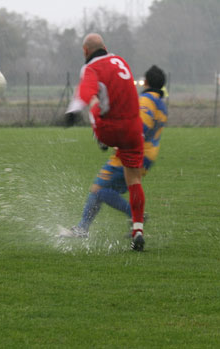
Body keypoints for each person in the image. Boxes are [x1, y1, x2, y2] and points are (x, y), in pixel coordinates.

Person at [63, 65, 168, 245]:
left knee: (99, 190)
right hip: (148, 157)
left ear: (146, 82)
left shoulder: (146, 101)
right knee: (109, 189)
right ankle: (87, 227)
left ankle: (86, 227)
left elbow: (140, 128)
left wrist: (117, 139)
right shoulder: (161, 104)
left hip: (130, 153)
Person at [64, 33, 145, 251]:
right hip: (134, 130)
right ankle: (138, 228)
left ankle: (99, 138)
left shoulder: (90, 68)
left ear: (85, 51)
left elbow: (86, 91)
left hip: (110, 130)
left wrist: (72, 111)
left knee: (94, 101)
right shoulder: (122, 61)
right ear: (106, 47)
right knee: (134, 180)